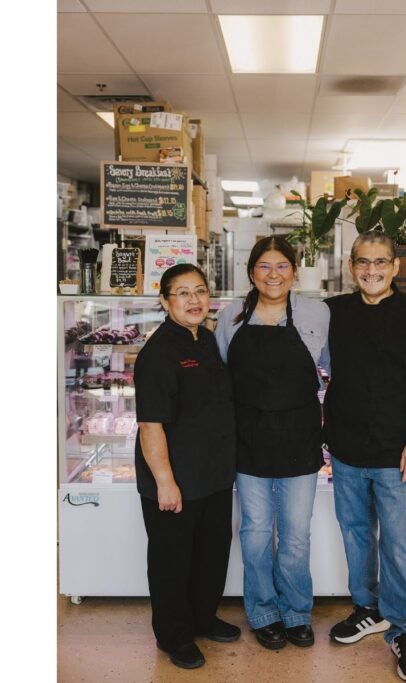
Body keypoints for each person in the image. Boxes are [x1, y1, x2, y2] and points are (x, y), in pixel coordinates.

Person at [322, 232, 406, 682]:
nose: (371, 270)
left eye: (380, 262)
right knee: (356, 534)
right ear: (351, 266)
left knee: (396, 540)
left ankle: (405, 629)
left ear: (396, 267)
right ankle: (368, 608)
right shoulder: (334, 312)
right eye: (363, 261)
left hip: (397, 452)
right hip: (346, 448)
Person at [215, 236, 330, 650]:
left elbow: (330, 367)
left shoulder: (317, 313)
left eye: (282, 265)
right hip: (249, 438)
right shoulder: (230, 317)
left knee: (296, 534)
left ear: (294, 272)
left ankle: (297, 612)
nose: (273, 274)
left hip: (300, 436)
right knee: (256, 532)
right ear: (251, 273)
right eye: (264, 266)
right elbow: (221, 373)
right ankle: (264, 612)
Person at [134, 263, 239, 670]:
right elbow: (150, 425)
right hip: (176, 478)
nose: (194, 300)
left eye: (200, 291)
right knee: (172, 560)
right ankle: (173, 635)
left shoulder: (206, 339)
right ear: (165, 301)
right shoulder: (158, 353)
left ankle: (202, 618)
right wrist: (165, 482)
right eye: (183, 293)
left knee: (211, 553)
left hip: (213, 474)